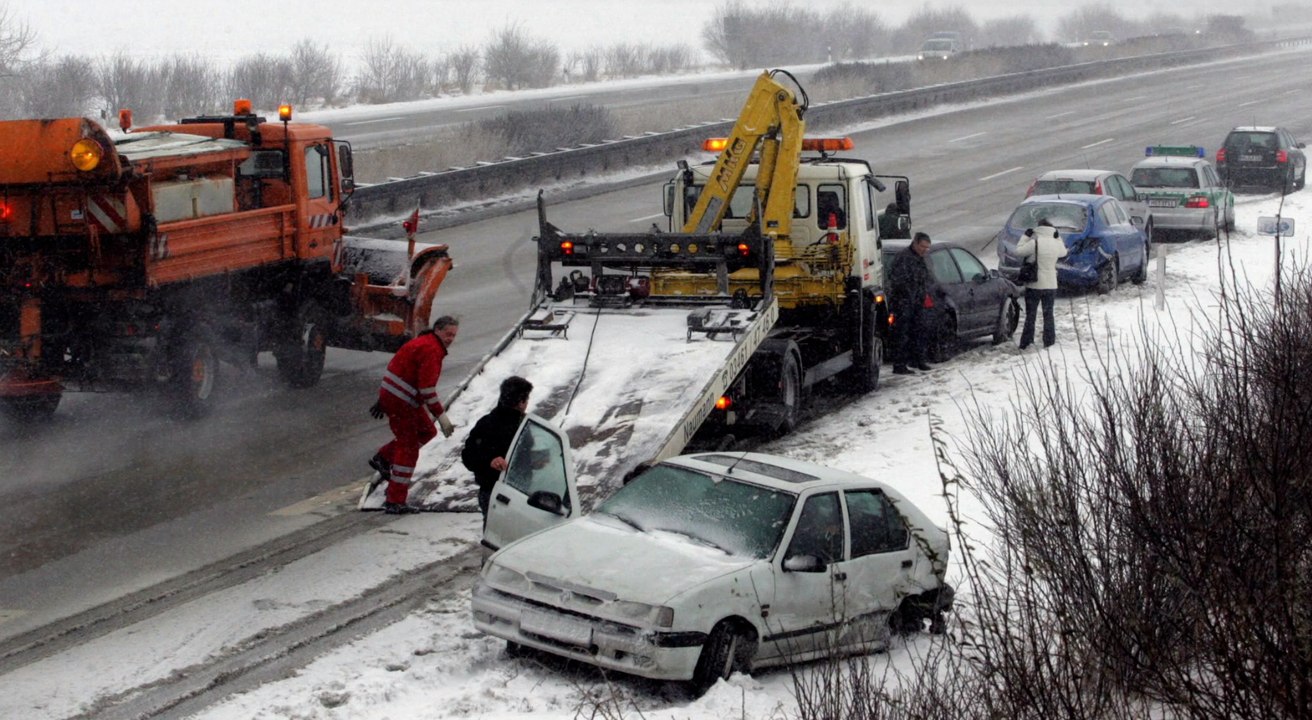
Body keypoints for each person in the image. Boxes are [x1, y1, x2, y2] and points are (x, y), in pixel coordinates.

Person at [369, 315, 459, 514]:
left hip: (398, 396)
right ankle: (395, 500)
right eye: (448, 333)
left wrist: (383, 398)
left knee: (427, 431)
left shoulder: (424, 342)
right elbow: (427, 389)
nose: (450, 338)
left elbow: (402, 369)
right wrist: (442, 418)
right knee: (408, 447)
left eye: (453, 335)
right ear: (437, 330)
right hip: (402, 402)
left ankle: (384, 457)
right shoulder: (432, 350)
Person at [461, 376, 534, 521]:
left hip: (517, 492)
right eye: (526, 400)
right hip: (497, 494)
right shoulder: (490, 425)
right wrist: (490, 460)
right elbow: (468, 456)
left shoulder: (522, 423)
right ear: (520, 403)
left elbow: (521, 454)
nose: (527, 404)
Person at [1016, 219, 1067, 349]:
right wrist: (1058, 236)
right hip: (1051, 284)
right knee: (1048, 314)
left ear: (1038, 229)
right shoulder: (1056, 243)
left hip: (1035, 284)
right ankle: (1049, 341)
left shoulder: (1034, 243)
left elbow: (1019, 251)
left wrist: (1025, 237)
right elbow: (1064, 252)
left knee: (1031, 315)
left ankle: (1027, 342)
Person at [888, 232, 933, 375]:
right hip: (903, 302)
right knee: (902, 333)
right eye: (922, 247)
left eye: (927, 248)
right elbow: (899, 281)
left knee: (918, 331)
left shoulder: (920, 259)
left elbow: (924, 278)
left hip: (917, 302)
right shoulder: (904, 258)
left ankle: (918, 360)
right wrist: (907, 297)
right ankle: (900, 365)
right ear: (915, 243)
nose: (924, 250)